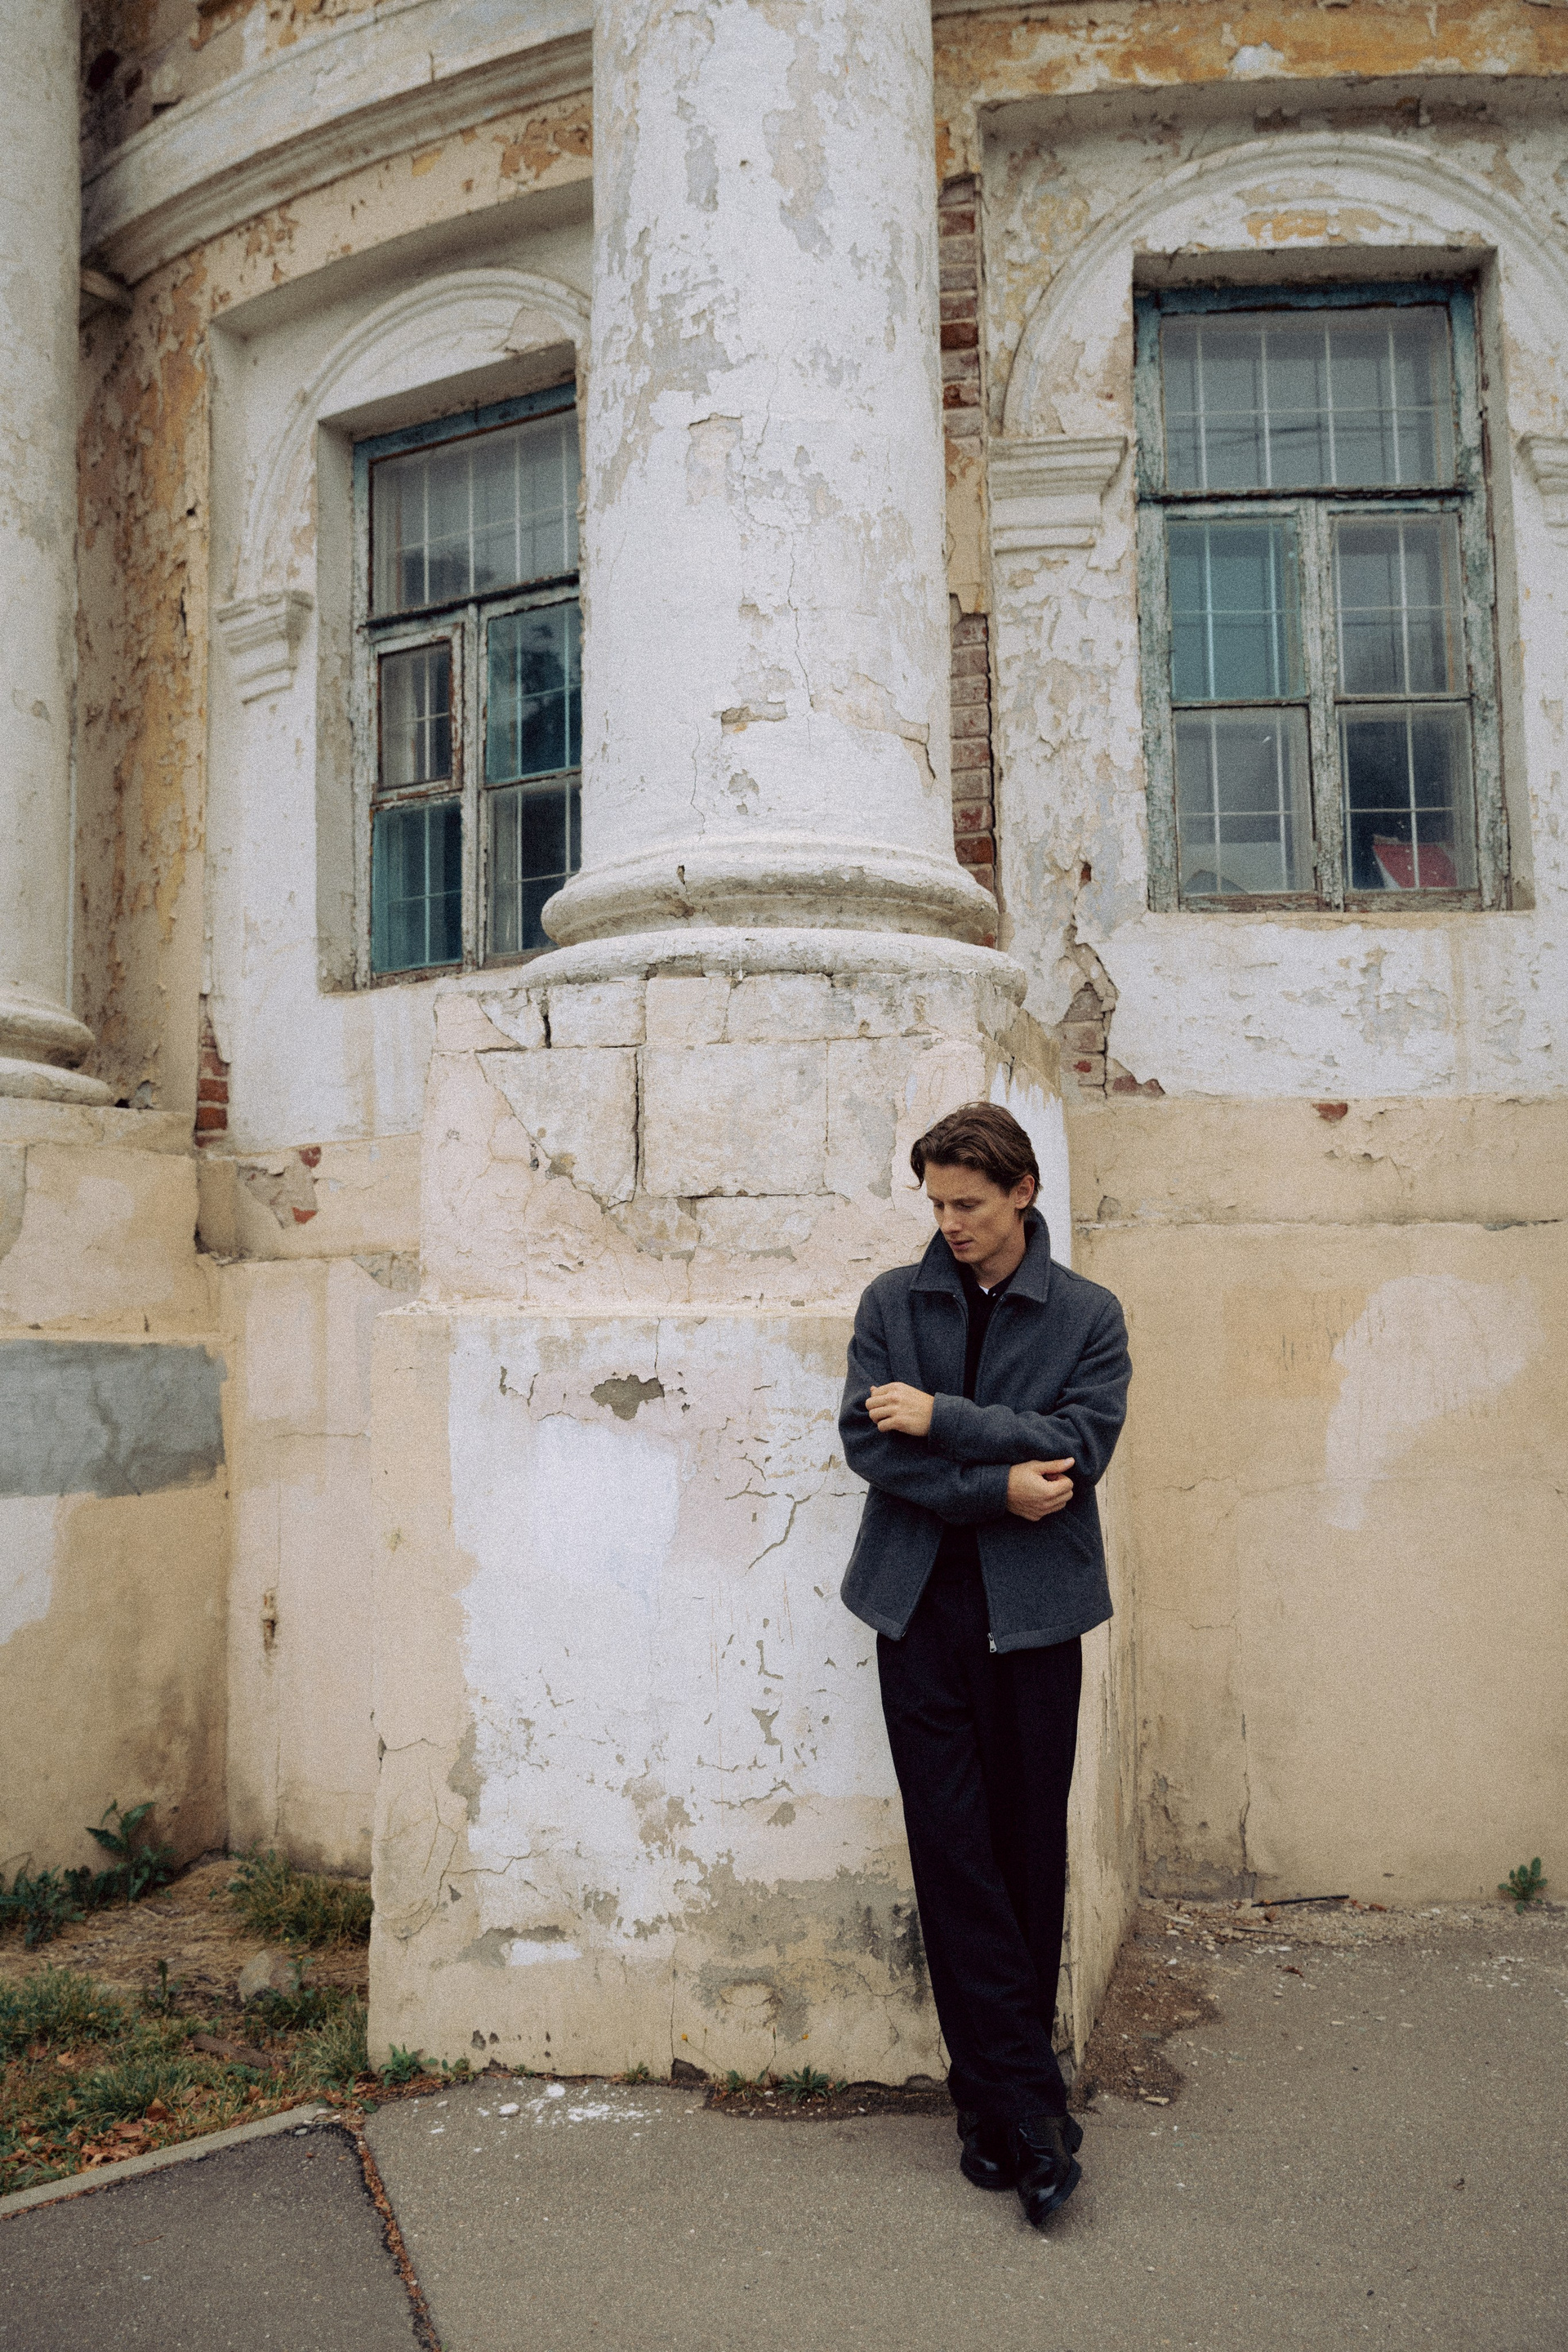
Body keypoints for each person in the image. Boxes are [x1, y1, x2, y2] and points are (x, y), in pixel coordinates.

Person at [838, 1100, 1131, 2229]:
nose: (950, 1224)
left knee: (1026, 1852)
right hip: (916, 1609)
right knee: (952, 1851)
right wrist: (996, 1486)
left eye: (969, 1204)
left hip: (1036, 1617)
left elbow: (1080, 1447)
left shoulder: (1089, 1315)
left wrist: (946, 1420)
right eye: (937, 1204)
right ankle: (1025, 2111)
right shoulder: (891, 1303)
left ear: (1023, 1193)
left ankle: (999, 2104)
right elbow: (870, 1446)